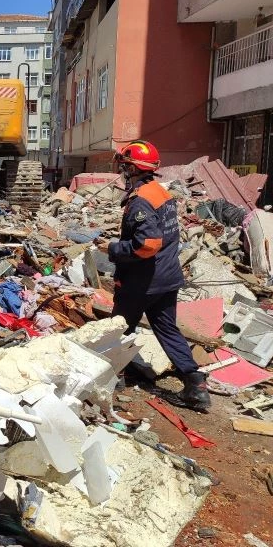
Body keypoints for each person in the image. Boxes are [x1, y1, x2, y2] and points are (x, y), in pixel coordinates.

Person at [105, 140, 210, 412]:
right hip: (167, 277)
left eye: (125, 166)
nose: (123, 171)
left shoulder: (141, 201)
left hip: (143, 282)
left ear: (132, 168)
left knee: (117, 329)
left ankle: (110, 379)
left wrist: (114, 249)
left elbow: (148, 244)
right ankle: (195, 384)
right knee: (167, 328)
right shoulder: (160, 193)